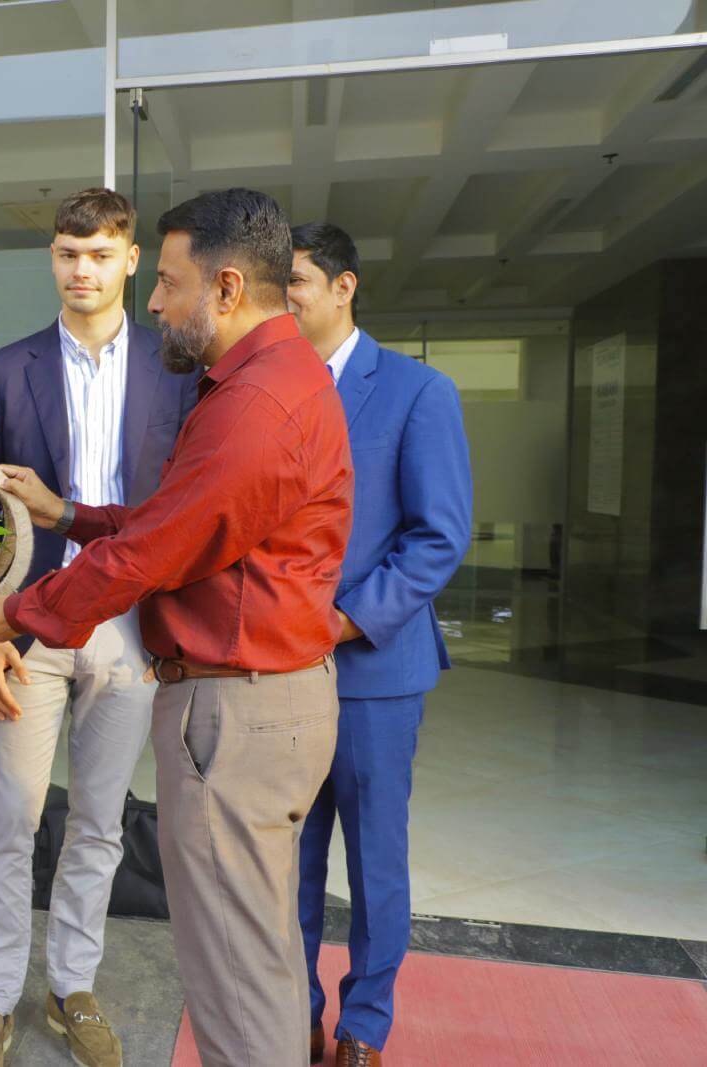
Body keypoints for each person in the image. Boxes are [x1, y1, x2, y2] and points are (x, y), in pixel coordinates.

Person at [0, 187, 354, 1067]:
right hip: (250, 688)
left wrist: (11, 615)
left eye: (166, 281)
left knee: (233, 969)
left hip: (231, 697)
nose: (156, 301)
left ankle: (77, 987)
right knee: (260, 945)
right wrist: (69, 515)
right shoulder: (263, 378)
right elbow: (177, 516)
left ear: (228, 287)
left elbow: (160, 547)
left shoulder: (250, 401)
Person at [0, 188, 198, 1067]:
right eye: (66, 253)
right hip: (29, 625)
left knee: (98, 818)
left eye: (99, 255)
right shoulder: (7, 369)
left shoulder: (179, 371)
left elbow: (180, 508)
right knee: (10, 817)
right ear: (52, 259)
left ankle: (71, 986)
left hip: (130, 625)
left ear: (132, 261)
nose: (81, 270)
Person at [287, 222, 471, 1067]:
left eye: (293, 280)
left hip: (373, 669)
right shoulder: (261, 390)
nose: (281, 297)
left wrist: (346, 617)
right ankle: (296, 1011)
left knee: (375, 863)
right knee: (285, 862)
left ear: (343, 286)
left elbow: (439, 536)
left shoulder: (416, 392)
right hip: (276, 672)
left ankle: (364, 1027)